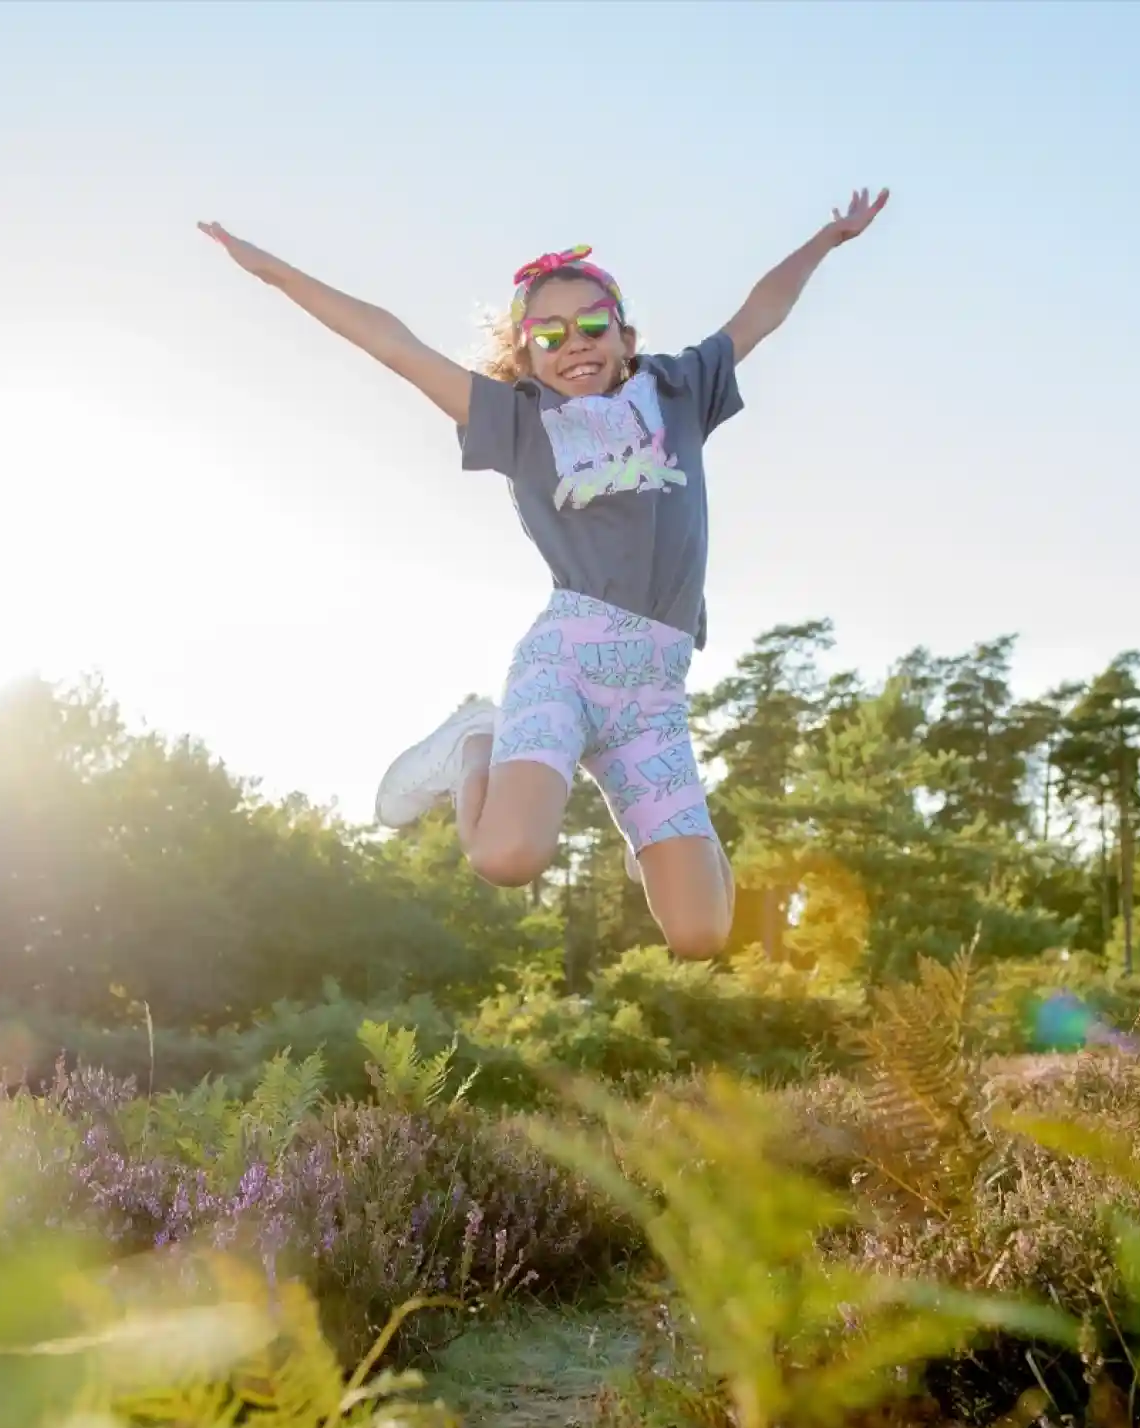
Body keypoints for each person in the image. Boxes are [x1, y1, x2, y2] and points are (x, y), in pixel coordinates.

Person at [199, 187, 889, 960]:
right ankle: (472, 743)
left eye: (593, 326)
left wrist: (829, 238)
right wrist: (272, 272)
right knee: (506, 859)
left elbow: (760, 312)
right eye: (549, 335)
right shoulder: (519, 422)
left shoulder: (678, 390)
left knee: (702, 934)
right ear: (525, 354)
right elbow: (393, 344)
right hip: (566, 667)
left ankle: (649, 832)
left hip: (654, 699)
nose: (576, 345)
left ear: (625, 336)